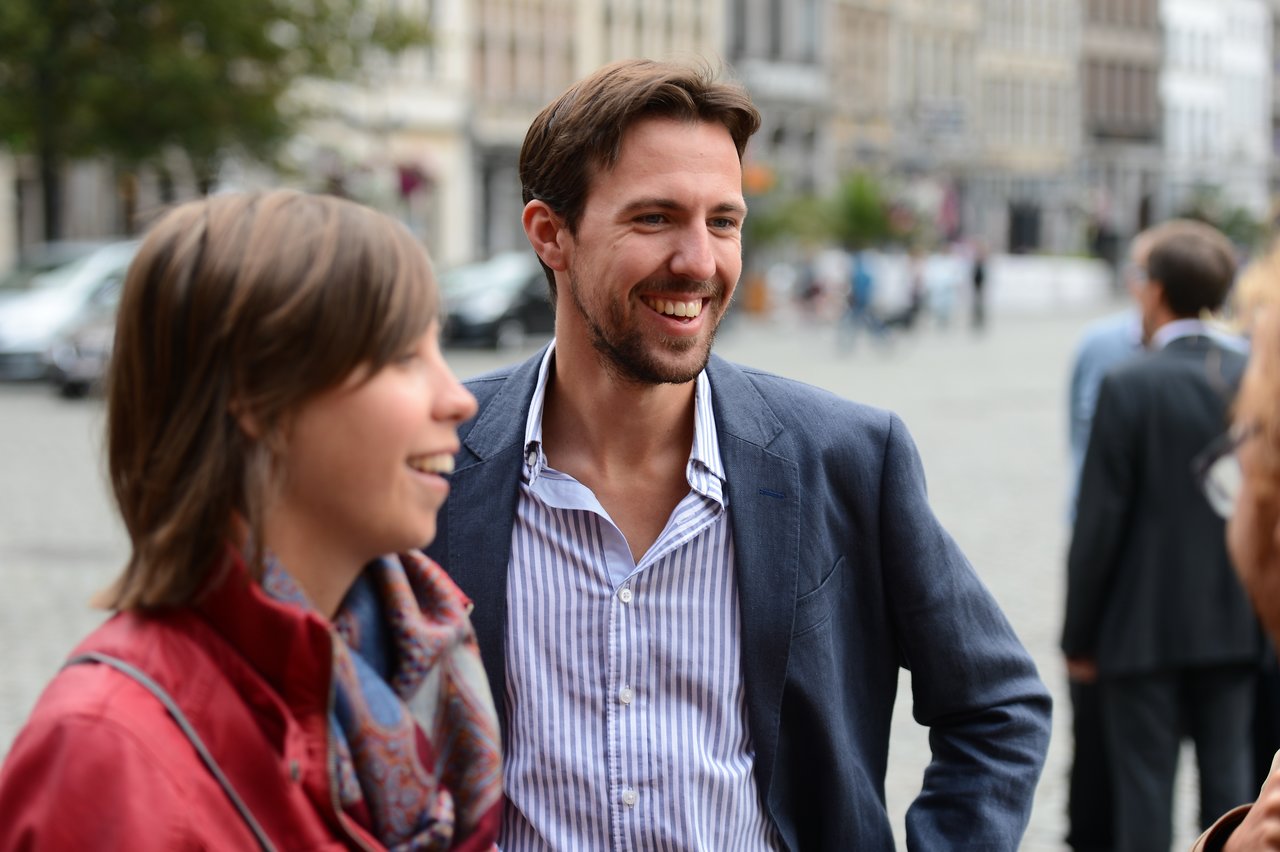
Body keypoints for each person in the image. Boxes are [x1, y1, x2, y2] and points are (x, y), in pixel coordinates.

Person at [425, 58, 1052, 849]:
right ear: (551, 234)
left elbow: (998, 707)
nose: (699, 262)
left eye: (723, 222)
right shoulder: (433, 457)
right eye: (654, 219)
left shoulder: (848, 457)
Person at [0, 190, 502, 849]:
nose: (458, 397)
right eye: (403, 357)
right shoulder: (106, 751)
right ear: (257, 397)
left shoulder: (425, 664)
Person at [1062, 219, 1261, 852]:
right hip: (1236, 621)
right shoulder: (1256, 375)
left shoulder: (1130, 382)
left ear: (1154, 292)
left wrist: (1079, 636)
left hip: (1139, 628)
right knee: (1233, 790)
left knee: (1143, 797)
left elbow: (1098, 523)